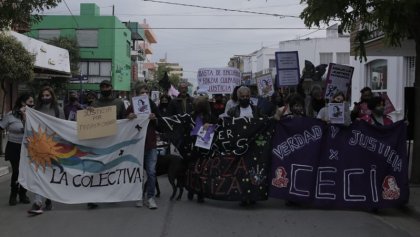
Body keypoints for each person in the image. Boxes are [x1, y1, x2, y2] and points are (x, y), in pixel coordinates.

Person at [86, 80, 127, 209]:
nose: (105, 89)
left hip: (114, 141)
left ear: (111, 88)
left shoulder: (119, 103)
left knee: (112, 169)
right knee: (96, 169)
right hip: (98, 142)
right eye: (102, 87)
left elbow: (125, 121)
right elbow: (88, 122)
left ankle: (111, 194)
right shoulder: (95, 104)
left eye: (107, 86)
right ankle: (93, 197)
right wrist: (88, 112)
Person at [28, 86, 65, 214]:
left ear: (52, 96)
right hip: (38, 148)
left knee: (49, 174)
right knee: (38, 174)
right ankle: (37, 202)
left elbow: (63, 128)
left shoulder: (58, 110)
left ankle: (49, 199)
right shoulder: (35, 110)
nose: (45, 98)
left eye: (47, 95)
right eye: (43, 95)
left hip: (53, 147)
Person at [126, 83, 160, 209]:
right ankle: (138, 196)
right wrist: (129, 117)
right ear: (136, 94)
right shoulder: (131, 107)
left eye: (146, 92)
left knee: (151, 172)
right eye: (142, 92)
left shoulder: (152, 105)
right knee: (138, 173)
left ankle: (150, 197)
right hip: (137, 145)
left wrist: (154, 118)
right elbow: (123, 124)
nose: (144, 94)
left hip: (150, 143)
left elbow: (160, 123)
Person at [0, 93, 34, 206]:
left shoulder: (33, 116)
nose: (32, 105)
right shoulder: (10, 115)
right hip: (14, 146)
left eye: (33, 103)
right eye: (30, 102)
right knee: (17, 171)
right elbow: (1, 127)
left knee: (26, 171)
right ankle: (13, 194)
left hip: (28, 147)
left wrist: (26, 117)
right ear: (22, 103)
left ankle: (23, 194)